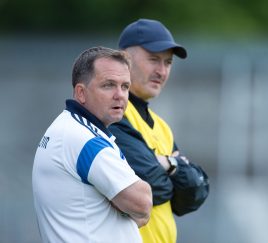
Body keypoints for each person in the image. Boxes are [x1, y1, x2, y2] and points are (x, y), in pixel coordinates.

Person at [32, 46, 152, 243]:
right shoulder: (85, 141)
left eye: (125, 86)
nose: (120, 95)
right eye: (108, 85)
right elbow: (144, 204)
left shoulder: (69, 128)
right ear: (81, 93)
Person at [109, 19, 209, 243]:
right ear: (124, 58)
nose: (162, 71)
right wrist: (176, 171)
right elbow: (151, 188)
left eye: (168, 62)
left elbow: (191, 197)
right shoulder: (113, 115)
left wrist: (169, 165)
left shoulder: (161, 126)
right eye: (154, 59)